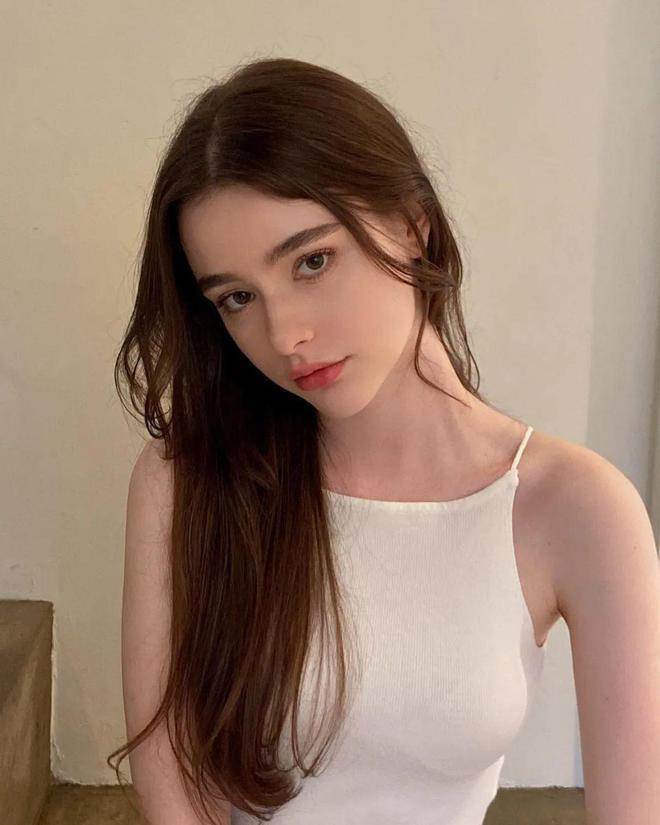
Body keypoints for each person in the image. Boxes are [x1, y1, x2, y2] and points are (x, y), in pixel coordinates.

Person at [108, 57, 660, 825]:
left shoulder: (574, 505)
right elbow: (171, 775)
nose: (284, 334)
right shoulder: (188, 477)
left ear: (411, 225)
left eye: (311, 261)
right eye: (237, 297)